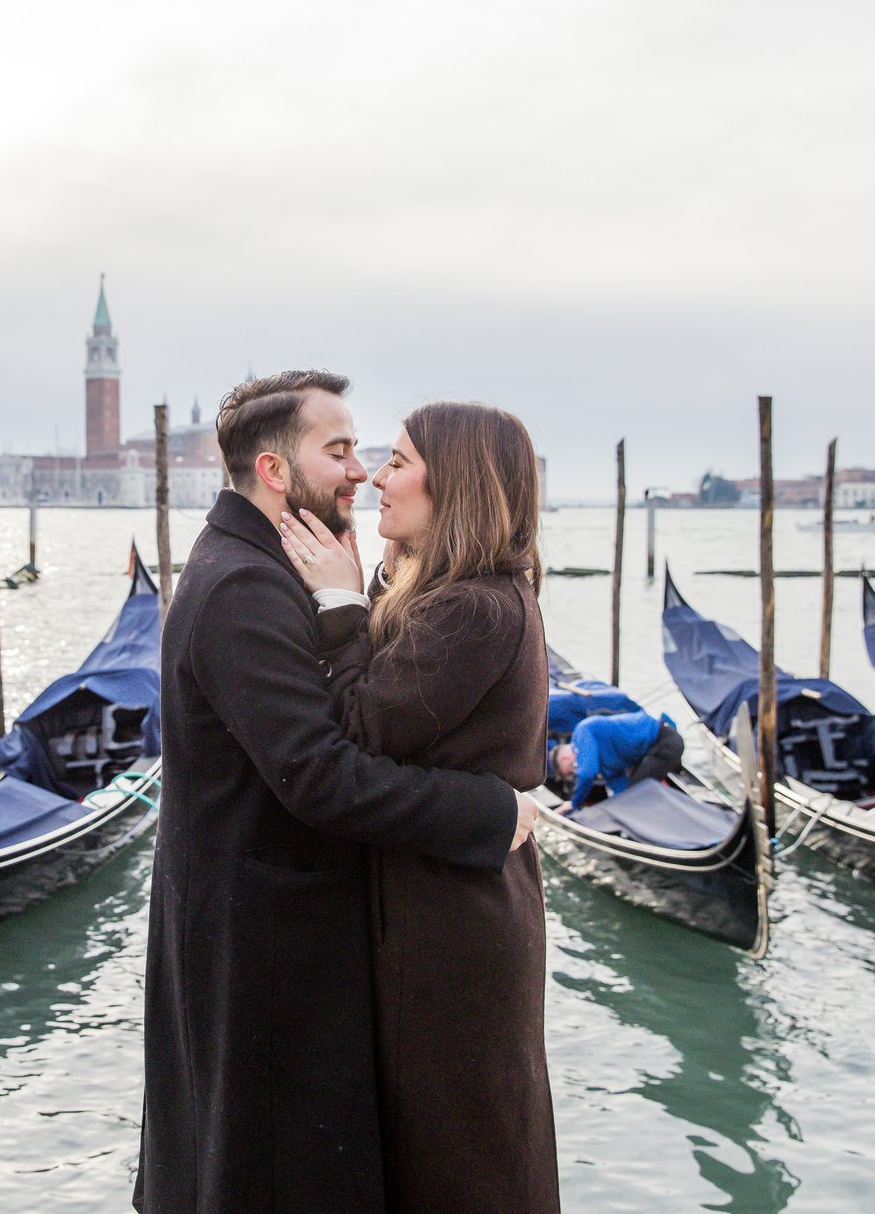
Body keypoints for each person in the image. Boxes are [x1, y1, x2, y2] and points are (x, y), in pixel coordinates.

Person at [137, 372, 540, 1214]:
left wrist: (350, 601)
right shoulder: (247, 585)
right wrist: (488, 811)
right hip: (266, 947)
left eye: (376, 454)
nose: (361, 472)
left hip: (305, 939)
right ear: (277, 472)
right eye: (342, 451)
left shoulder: (273, 565)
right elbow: (322, 771)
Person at [278, 402, 561, 1213]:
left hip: (453, 924)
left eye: (398, 462)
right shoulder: (429, 590)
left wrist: (336, 605)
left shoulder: (475, 608)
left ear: (458, 483)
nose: (376, 476)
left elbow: (362, 729)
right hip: (438, 896)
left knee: (461, 1143)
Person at [552, 709, 685, 814]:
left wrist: (574, 803)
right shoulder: (605, 767)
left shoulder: (582, 731)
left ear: (565, 758)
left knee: (635, 793)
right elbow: (620, 789)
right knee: (628, 797)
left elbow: (587, 773)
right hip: (657, 751)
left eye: (571, 768)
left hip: (665, 742)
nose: (576, 769)